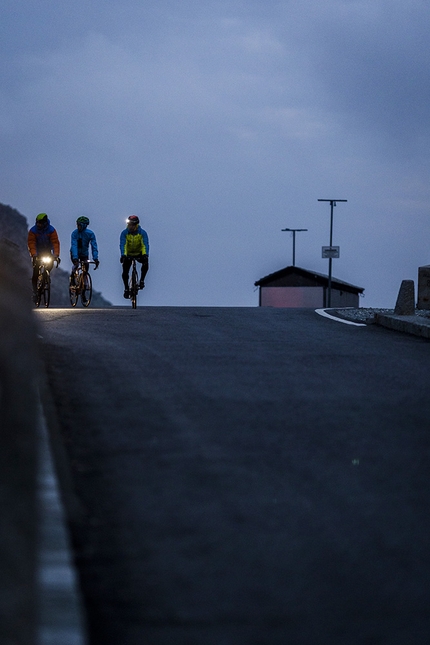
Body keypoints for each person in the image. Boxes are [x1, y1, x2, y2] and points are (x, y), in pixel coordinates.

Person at [27, 213, 60, 301]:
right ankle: (34, 292)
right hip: (37, 253)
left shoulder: (51, 230)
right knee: (35, 273)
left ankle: (45, 278)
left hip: (47, 252)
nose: (38, 224)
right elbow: (31, 243)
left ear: (45, 223)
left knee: (50, 265)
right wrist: (34, 255)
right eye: (37, 222)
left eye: (40, 223)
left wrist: (56, 255)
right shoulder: (33, 231)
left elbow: (55, 243)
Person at [120, 215, 149, 299]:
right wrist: (123, 255)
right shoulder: (124, 233)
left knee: (146, 263)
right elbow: (123, 244)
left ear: (136, 225)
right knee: (125, 272)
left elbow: (145, 244)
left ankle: (142, 280)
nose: (130, 227)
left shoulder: (142, 233)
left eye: (132, 225)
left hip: (139, 253)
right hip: (128, 254)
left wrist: (145, 254)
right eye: (129, 225)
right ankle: (126, 288)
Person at [70, 216, 99, 282]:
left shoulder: (90, 234)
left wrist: (95, 258)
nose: (77, 226)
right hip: (74, 253)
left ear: (84, 225)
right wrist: (75, 257)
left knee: (86, 269)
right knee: (76, 265)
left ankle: (84, 282)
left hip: (84, 254)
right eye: (77, 225)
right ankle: (72, 275)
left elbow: (94, 246)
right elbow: (74, 245)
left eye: (79, 225)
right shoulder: (74, 233)